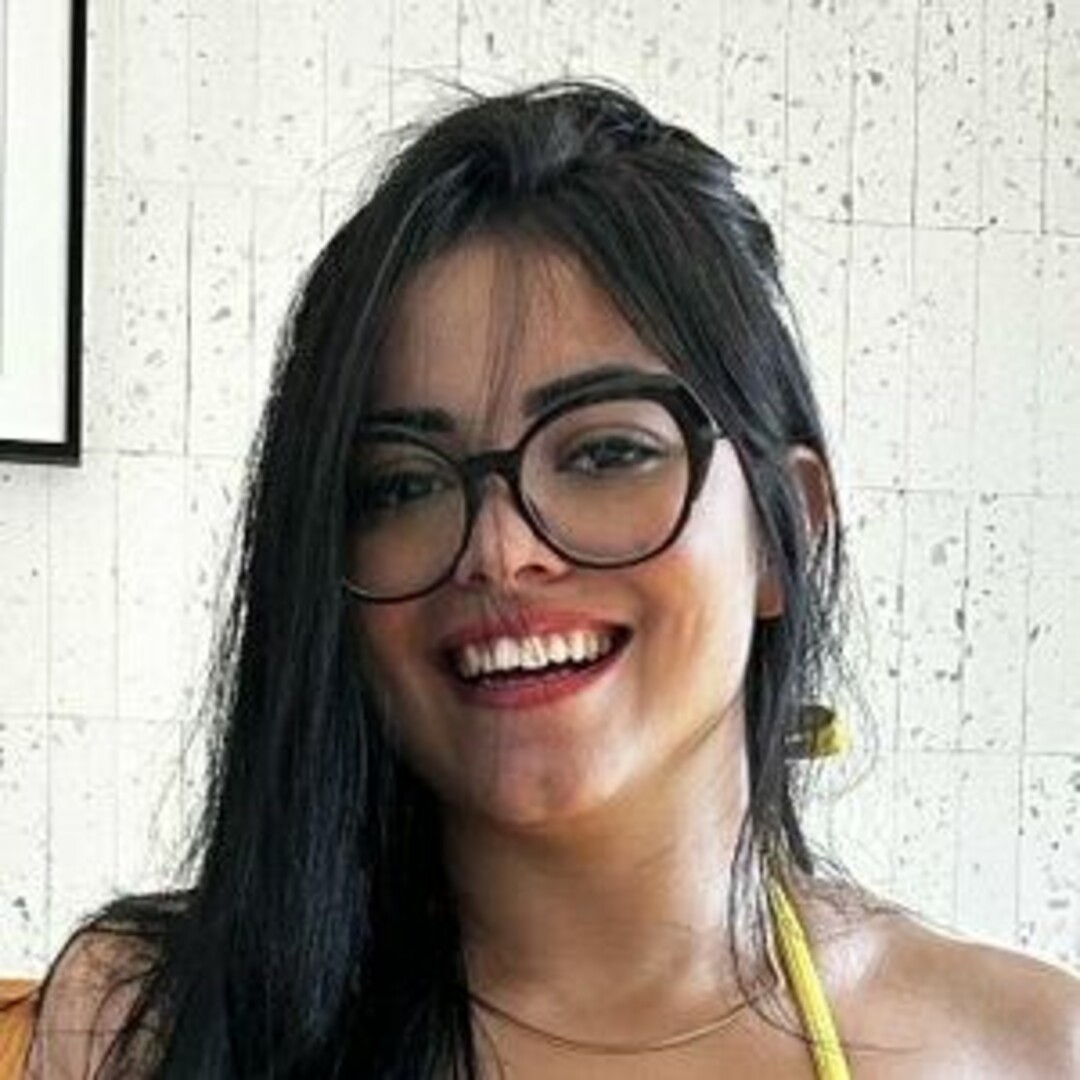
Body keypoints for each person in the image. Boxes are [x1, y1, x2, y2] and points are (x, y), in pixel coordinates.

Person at [19, 80, 1080, 1079]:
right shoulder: (142, 1022)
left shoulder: (1024, 1049)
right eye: (402, 482)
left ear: (784, 532)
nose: (499, 547)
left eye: (607, 452)